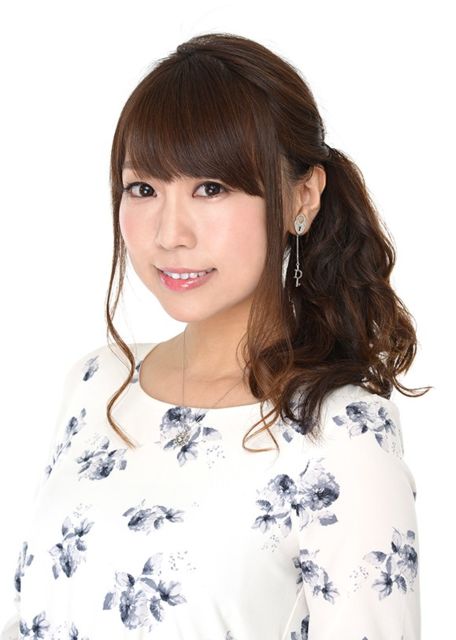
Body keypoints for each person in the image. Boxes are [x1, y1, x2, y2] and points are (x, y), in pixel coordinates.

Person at [1, 32, 429, 639]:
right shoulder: (98, 383)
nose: (170, 233)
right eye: (143, 189)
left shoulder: (341, 434)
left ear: (302, 196)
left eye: (211, 188)